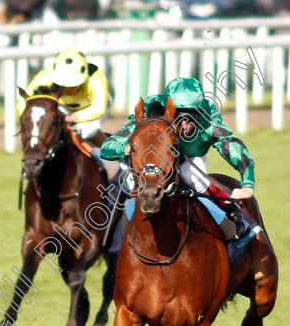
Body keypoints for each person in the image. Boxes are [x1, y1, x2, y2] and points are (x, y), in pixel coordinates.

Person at [100, 76, 261, 259]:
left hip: (191, 161)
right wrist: (125, 147)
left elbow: (232, 146)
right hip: (155, 166)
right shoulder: (149, 110)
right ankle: (117, 247)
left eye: (191, 116)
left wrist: (247, 182)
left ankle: (239, 222)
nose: (184, 124)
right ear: (169, 110)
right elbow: (107, 148)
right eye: (178, 116)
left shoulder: (208, 115)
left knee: (189, 174)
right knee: (131, 190)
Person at [17, 49, 111, 150]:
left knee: (87, 130)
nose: (67, 89)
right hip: (63, 107)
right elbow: (24, 101)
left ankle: (115, 155)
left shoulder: (96, 77)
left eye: (73, 85)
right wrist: (30, 119)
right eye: (63, 85)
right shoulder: (46, 76)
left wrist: (71, 118)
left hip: (95, 106)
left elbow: (98, 108)